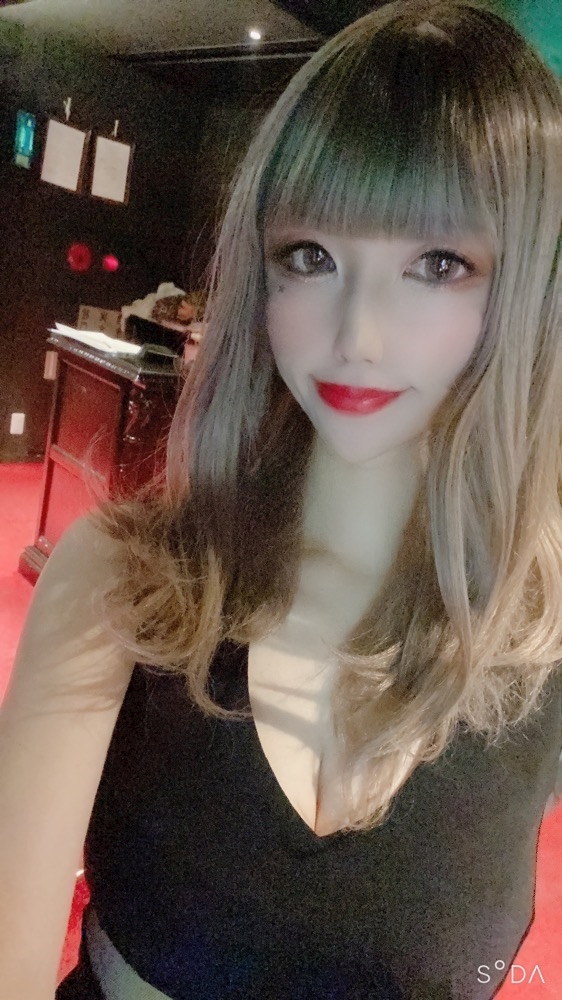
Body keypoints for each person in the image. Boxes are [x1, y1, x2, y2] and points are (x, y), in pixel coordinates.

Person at [1, 1, 561, 997]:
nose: (358, 335)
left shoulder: (540, 642)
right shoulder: (125, 585)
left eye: (437, 265)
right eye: (310, 256)